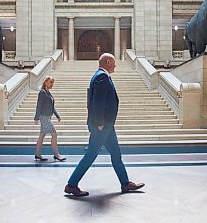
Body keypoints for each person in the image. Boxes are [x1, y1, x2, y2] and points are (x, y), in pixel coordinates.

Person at [64, 53, 144, 197]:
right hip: (102, 125)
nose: (115, 65)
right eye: (113, 63)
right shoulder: (102, 76)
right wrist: (99, 122)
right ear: (107, 62)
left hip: (107, 125)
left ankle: (125, 183)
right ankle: (71, 184)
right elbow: (98, 102)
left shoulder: (101, 75)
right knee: (91, 155)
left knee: (116, 153)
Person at [34, 76, 66, 162]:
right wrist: (36, 118)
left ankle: (37, 154)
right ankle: (57, 155)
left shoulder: (48, 93)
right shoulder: (42, 92)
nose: (52, 84)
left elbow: (52, 107)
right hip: (44, 117)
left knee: (42, 135)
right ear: (45, 82)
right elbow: (39, 105)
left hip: (48, 116)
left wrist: (57, 115)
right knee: (54, 134)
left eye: (53, 82)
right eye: (51, 82)